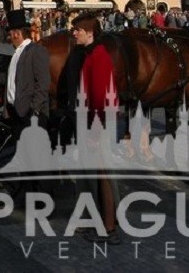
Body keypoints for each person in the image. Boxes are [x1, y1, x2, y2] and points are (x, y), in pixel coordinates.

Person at [70, 13, 121, 245]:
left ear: (89, 32)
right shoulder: (92, 54)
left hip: (99, 124)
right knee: (101, 175)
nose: (74, 33)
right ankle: (105, 225)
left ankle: (109, 228)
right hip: (95, 122)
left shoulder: (98, 56)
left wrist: (94, 131)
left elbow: (101, 97)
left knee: (104, 176)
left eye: (77, 30)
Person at [0, 9, 50, 137]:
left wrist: (33, 109)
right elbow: (8, 79)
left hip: (29, 115)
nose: (9, 38)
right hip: (16, 112)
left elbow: (43, 83)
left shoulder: (36, 51)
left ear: (17, 34)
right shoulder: (16, 53)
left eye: (10, 34)